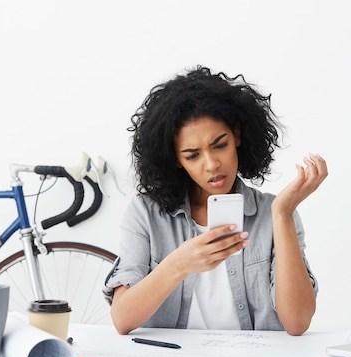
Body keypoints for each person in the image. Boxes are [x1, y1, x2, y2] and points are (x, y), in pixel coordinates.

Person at [103, 65, 328, 336]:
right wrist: (179, 264)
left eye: (220, 145)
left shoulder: (274, 214)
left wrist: (282, 213)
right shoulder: (146, 214)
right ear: (175, 159)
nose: (211, 165)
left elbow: (297, 323)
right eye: (192, 155)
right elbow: (122, 319)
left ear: (237, 136)